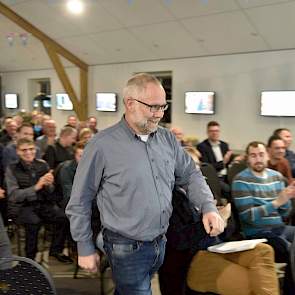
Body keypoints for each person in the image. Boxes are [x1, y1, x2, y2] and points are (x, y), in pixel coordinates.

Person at [66, 73, 224, 295]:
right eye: (153, 107)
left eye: (163, 107)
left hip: (162, 240)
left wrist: (207, 206)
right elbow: (80, 201)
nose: (159, 114)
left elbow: (190, 174)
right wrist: (83, 246)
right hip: (125, 246)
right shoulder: (101, 146)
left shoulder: (167, 139)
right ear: (130, 103)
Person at [232, 141, 295, 294]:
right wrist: (276, 202)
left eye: (261, 155)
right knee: (290, 251)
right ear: (248, 159)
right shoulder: (241, 180)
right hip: (257, 233)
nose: (258, 159)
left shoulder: (277, 177)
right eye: (253, 156)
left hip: (279, 227)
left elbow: (284, 214)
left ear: (267, 155)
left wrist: (286, 200)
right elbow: (248, 217)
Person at [5, 138, 72, 263]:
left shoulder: (42, 164)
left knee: (64, 217)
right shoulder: (12, 168)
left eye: (31, 149)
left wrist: (50, 183)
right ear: (18, 152)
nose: (28, 152)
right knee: (34, 222)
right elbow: (14, 195)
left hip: (42, 203)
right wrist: (36, 187)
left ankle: (55, 250)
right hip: (23, 206)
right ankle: (30, 260)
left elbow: (51, 191)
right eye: (24, 150)